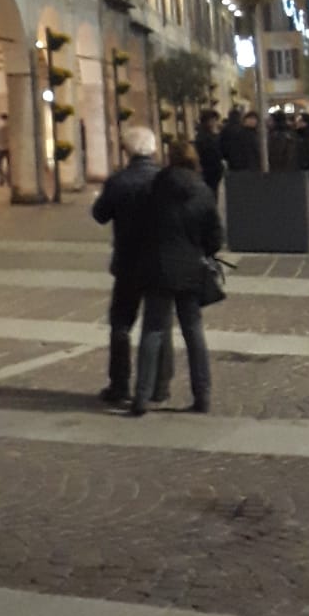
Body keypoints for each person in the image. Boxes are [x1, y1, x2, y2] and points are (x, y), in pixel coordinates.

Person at [131, 137, 223, 416]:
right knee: (193, 332)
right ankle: (203, 395)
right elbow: (215, 236)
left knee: (153, 331)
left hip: (158, 267)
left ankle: (141, 397)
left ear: (169, 158)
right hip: (190, 267)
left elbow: (140, 227)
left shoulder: (153, 188)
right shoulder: (202, 190)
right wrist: (203, 250)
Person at [91, 126, 173, 408]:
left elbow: (100, 215)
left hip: (127, 261)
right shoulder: (165, 180)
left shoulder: (118, 181)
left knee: (121, 325)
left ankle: (120, 384)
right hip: (159, 261)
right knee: (160, 326)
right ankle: (159, 385)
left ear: (126, 151)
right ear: (153, 149)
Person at [195, 109, 224, 196]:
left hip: (213, 168)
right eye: (213, 120)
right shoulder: (205, 136)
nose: (215, 123)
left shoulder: (208, 134)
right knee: (211, 191)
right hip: (209, 168)